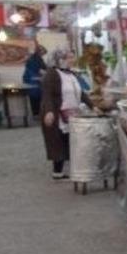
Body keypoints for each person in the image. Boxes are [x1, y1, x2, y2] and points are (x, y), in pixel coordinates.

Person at [40, 49, 94, 179]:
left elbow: (81, 93)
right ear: (59, 60)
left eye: (72, 57)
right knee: (58, 141)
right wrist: (49, 111)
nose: (72, 60)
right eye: (69, 58)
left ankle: (70, 170)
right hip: (57, 113)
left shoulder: (71, 74)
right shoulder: (52, 74)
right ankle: (57, 172)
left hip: (71, 113)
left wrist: (93, 106)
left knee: (68, 141)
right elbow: (47, 95)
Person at [22, 42, 46, 116]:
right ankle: (37, 114)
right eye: (43, 53)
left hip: (34, 80)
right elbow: (39, 70)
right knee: (35, 97)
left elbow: (43, 69)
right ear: (39, 51)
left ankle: (37, 113)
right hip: (32, 81)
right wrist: (42, 76)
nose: (43, 55)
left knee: (36, 98)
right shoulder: (34, 59)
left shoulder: (38, 58)